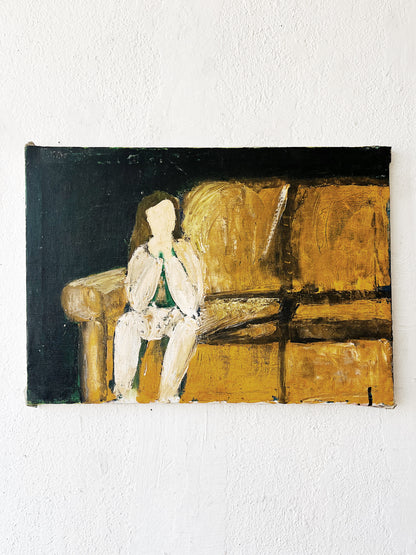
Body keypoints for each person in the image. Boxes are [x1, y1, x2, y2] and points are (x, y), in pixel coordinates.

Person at [113, 195, 204, 402]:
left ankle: (167, 396)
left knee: (189, 327)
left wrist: (170, 260)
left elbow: (191, 304)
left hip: (178, 316)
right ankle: (124, 395)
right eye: (157, 216)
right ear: (148, 221)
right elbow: (136, 302)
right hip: (149, 315)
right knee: (126, 322)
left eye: (169, 215)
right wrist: (155, 262)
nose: (164, 221)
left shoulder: (186, 251)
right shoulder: (140, 254)